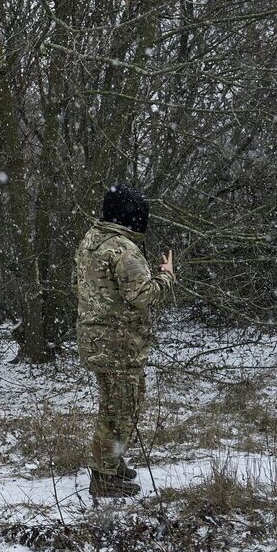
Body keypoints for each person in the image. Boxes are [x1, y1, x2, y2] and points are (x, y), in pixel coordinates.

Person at [74, 185, 175, 498]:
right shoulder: (124, 249)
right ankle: (103, 477)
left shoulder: (91, 240)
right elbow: (143, 295)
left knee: (112, 406)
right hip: (120, 344)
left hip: (96, 339)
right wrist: (166, 276)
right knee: (121, 410)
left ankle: (110, 462)